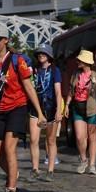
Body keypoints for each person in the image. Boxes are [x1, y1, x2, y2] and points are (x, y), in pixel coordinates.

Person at [0, 26, 46, 192]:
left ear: (6, 40)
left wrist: (39, 113)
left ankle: (11, 191)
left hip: (17, 107)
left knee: (9, 148)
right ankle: (12, 172)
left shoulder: (18, 60)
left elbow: (28, 87)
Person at [64, 49, 96, 175]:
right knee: (80, 137)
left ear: (86, 62)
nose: (77, 61)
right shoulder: (75, 74)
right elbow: (71, 91)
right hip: (77, 108)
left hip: (91, 109)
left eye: (80, 60)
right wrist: (67, 105)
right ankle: (83, 160)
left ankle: (92, 165)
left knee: (92, 138)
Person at [28, 43, 63, 182]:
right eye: (39, 53)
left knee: (51, 141)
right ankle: (35, 169)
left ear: (49, 56)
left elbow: (58, 92)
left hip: (50, 108)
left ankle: (50, 170)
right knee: (33, 140)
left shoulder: (55, 70)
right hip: (35, 108)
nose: (41, 55)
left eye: (44, 53)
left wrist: (59, 111)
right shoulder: (34, 70)